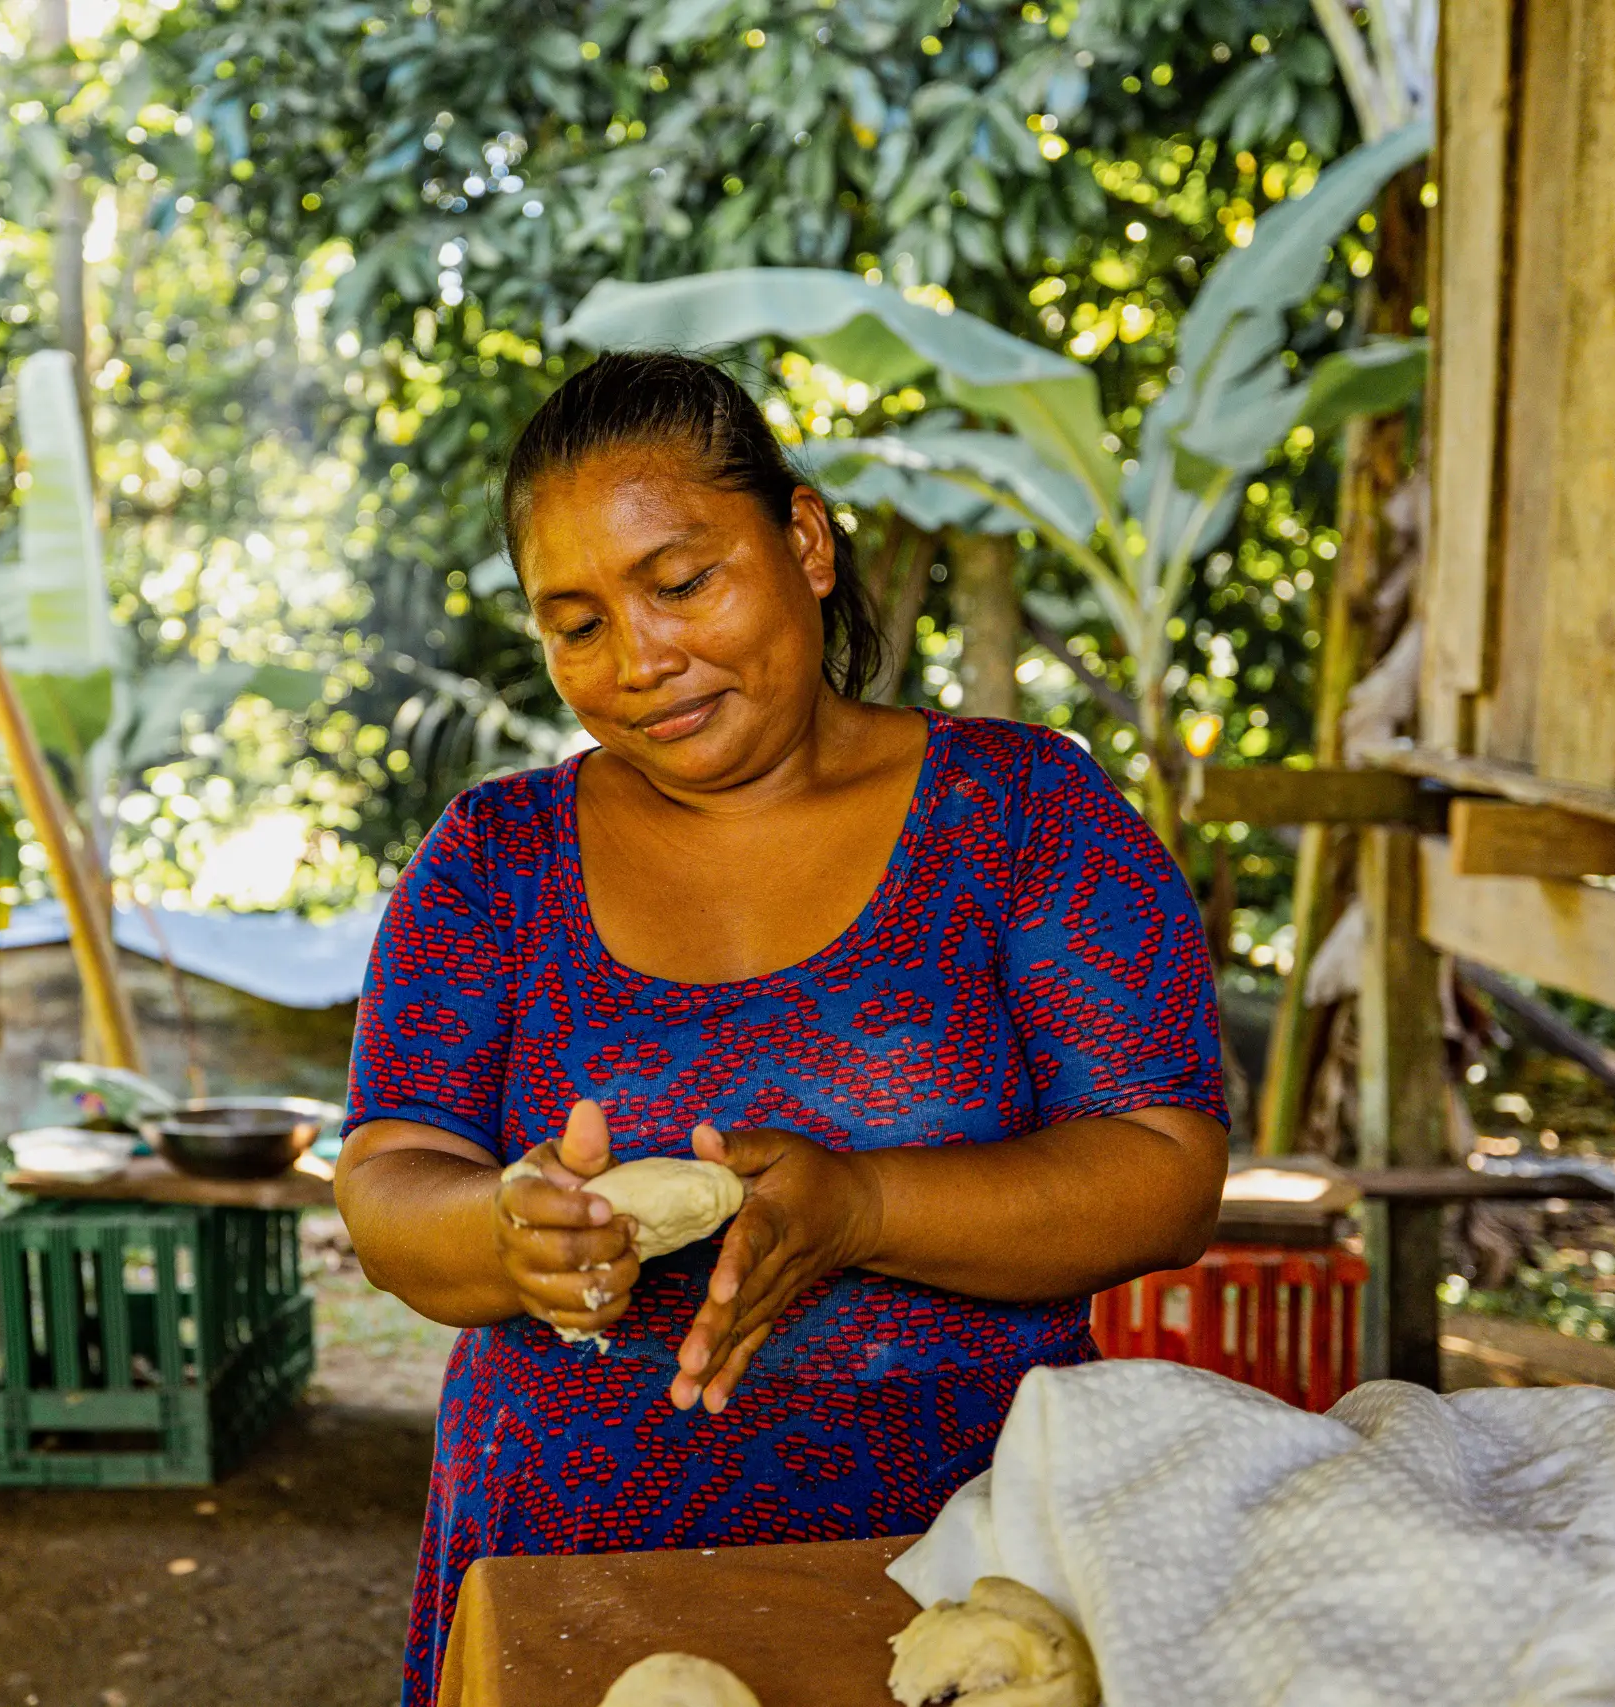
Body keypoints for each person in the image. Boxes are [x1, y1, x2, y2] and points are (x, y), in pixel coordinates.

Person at [334, 351, 1227, 1705]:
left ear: (802, 539)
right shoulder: (494, 861)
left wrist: (866, 1205)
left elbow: (1167, 1170)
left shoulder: (1023, 813)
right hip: (572, 1575)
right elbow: (388, 1177)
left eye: (682, 583)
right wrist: (511, 1234)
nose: (641, 661)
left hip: (966, 1562)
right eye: (576, 624)